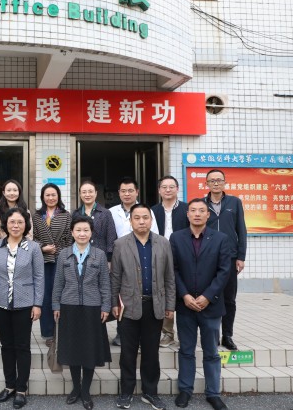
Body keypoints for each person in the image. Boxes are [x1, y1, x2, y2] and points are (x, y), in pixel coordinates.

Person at [111, 204, 175, 410]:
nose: (141, 221)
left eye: (145, 217)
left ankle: (150, 392)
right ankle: (126, 393)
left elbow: (169, 277)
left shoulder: (163, 243)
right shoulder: (120, 244)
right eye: (137, 218)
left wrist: (170, 305)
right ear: (130, 221)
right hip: (128, 306)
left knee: (151, 352)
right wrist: (113, 303)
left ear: (151, 220)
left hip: (154, 306)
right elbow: (115, 277)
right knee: (127, 353)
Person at [170, 198, 233, 410]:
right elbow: (173, 270)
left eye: (201, 210)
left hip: (211, 306)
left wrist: (207, 296)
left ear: (208, 215)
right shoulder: (176, 238)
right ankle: (185, 390)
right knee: (186, 350)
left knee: (211, 352)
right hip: (185, 305)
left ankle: (213, 393)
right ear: (187, 214)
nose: (197, 214)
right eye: (193, 210)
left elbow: (224, 271)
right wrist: (184, 295)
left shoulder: (221, 239)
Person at [0, 207, 44, 409]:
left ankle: (21, 389)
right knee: (6, 345)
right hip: (0, 302)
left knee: (22, 346)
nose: (16, 225)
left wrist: (37, 304)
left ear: (25, 225)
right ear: (5, 224)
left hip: (25, 303)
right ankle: (9, 385)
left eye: (20, 222)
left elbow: (39, 277)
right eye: (12, 222)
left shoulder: (33, 247)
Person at [52, 214, 112, 410]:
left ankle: (85, 391)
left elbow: (105, 284)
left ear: (91, 232)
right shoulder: (64, 254)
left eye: (86, 230)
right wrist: (56, 305)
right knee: (73, 349)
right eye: (78, 230)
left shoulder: (99, 255)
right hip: (68, 307)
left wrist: (106, 307)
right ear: (72, 232)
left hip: (92, 308)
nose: (82, 233)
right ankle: (75, 388)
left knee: (89, 350)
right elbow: (58, 283)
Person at [109, 177, 158, 345]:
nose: (127, 194)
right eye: (123, 191)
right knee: (122, 295)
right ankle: (121, 332)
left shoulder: (145, 211)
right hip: (120, 260)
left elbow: (155, 235)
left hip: (143, 257)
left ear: (137, 192)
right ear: (119, 193)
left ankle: (143, 334)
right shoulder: (111, 212)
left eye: (130, 190)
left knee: (142, 294)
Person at [203, 169, 247, 351]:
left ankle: (227, 335)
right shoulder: (202, 204)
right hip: (207, 258)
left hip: (229, 256)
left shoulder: (234, 202)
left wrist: (241, 256)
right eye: (212, 180)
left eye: (219, 180)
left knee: (229, 298)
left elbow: (241, 230)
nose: (216, 183)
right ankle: (211, 334)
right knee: (210, 296)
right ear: (207, 183)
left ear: (224, 182)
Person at [31, 183, 72, 347]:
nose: (50, 198)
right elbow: (32, 237)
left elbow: (70, 238)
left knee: (62, 295)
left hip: (61, 260)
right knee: (46, 296)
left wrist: (60, 252)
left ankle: (62, 332)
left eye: (53, 194)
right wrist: (43, 247)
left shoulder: (66, 215)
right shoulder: (37, 216)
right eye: (47, 195)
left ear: (58, 196)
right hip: (43, 261)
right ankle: (48, 333)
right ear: (42, 197)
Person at [151, 175, 189, 348]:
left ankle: (186, 334)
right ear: (159, 190)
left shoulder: (187, 209)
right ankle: (167, 333)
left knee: (183, 293)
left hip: (183, 256)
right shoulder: (153, 211)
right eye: (164, 187)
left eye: (171, 187)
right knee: (164, 293)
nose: (168, 190)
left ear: (177, 189)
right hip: (159, 257)